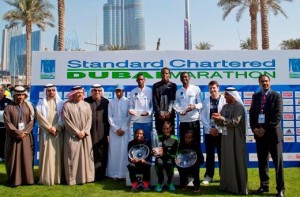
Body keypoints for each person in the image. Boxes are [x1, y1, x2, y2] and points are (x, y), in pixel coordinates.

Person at [249, 75, 285, 197]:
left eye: (266, 81)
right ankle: (264, 186)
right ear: (259, 83)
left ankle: (280, 189)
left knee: (278, 164)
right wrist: (254, 129)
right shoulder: (256, 96)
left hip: (273, 135)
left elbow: (277, 116)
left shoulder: (276, 96)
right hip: (260, 136)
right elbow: (252, 114)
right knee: (262, 163)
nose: (264, 83)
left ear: (270, 82)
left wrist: (263, 128)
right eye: (262, 81)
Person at [212, 87, 248, 195]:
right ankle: (226, 185)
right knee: (227, 161)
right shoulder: (225, 106)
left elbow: (234, 122)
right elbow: (221, 123)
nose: (225, 97)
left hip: (236, 137)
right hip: (226, 137)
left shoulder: (239, 107)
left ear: (232, 95)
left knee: (237, 160)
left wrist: (221, 119)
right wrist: (216, 119)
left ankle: (238, 187)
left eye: (226, 95)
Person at [62, 86, 94, 185]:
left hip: (85, 136)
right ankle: (72, 179)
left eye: (81, 92)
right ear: (73, 94)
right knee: (72, 157)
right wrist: (77, 132)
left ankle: (86, 177)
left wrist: (84, 131)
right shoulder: (67, 106)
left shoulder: (87, 105)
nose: (80, 94)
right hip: (73, 136)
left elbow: (89, 119)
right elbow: (66, 121)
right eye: (77, 93)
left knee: (86, 158)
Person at [4, 86, 35, 187]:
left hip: (26, 137)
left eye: (22, 95)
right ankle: (15, 180)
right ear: (14, 95)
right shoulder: (8, 108)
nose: (20, 97)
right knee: (13, 158)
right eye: (18, 95)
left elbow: (32, 121)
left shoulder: (29, 106)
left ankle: (27, 180)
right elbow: (8, 123)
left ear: (25, 95)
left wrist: (25, 132)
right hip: (13, 139)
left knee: (26, 158)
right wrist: (18, 133)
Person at [36, 84, 64, 185]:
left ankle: (57, 178)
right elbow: (40, 118)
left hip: (58, 133)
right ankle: (47, 178)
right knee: (47, 155)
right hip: (46, 133)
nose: (51, 92)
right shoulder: (41, 103)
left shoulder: (61, 103)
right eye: (49, 91)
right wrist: (49, 128)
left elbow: (63, 118)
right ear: (46, 92)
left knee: (57, 154)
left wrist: (56, 128)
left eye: (53, 90)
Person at [201, 80, 226, 185]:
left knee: (222, 155)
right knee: (210, 155)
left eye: (214, 88)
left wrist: (218, 128)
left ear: (218, 88)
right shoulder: (206, 100)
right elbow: (202, 117)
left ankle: (223, 176)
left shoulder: (224, 100)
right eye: (210, 88)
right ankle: (209, 176)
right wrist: (210, 129)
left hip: (221, 132)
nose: (212, 90)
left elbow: (226, 115)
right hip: (209, 132)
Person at [84, 84, 110, 180]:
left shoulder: (105, 102)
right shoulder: (86, 101)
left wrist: (107, 134)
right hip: (89, 131)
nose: (97, 92)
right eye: (95, 90)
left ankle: (101, 174)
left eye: (99, 90)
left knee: (101, 152)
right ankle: (90, 174)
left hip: (102, 132)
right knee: (89, 152)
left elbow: (108, 119)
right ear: (92, 91)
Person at [106, 84, 131, 179]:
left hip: (125, 131)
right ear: (115, 92)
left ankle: (124, 174)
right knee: (114, 151)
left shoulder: (128, 101)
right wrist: (116, 128)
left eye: (120, 90)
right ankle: (113, 173)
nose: (118, 92)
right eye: (117, 91)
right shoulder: (111, 102)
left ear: (123, 91)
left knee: (124, 151)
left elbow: (129, 116)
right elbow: (109, 117)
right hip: (114, 131)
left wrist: (123, 128)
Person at [173, 72, 203, 143]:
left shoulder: (196, 89)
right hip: (183, 121)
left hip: (194, 121)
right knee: (183, 143)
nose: (184, 78)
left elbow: (201, 104)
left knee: (196, 143)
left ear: (189, 78)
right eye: (182, 77)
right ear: (180, 79)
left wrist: (194, 106)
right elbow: (175, 104)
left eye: (186, 77)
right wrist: (179, 111)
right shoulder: (178, 91)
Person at [153, 121, 178, 192]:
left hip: (170, 158)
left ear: (171, 128)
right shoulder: (158, 137)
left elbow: (175, 154)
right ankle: (160, 182)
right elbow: (155, 151)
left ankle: (170, 182)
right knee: (158, 162)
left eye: (167, 128)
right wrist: (153, 152)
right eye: (164, 129)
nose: (165, 130)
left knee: (169, 163)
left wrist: (165, 153)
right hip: (161, 158)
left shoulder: (175, 139)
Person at [152, 67, 177, 135]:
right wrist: (159, 113)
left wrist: (169, 112)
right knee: (159, 136)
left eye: (166, 73)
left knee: (171, 136)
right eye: (163, 73)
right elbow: (154, 101)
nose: (164, 75)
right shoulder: (155, 86)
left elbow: (173, 100)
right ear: (161, 75)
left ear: (169, 75)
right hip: (159, 117)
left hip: (170, 116)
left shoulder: (173, 85)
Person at [129, 73, 153, 143]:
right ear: (136, 80)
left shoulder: (150, 90)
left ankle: (148, 154)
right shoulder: (133, 91)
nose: (140, 81)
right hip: (137, 121)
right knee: (137, 141)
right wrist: (131, 111)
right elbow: (131, 106)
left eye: (142, 79)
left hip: (147, 121)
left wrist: (149, 112)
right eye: (138, 79)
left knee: (147, 141)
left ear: (144, 80)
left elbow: (152, 105)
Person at [0, 85, 12, 162]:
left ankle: (5, 156)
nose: (0, 92)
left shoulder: (9, 101)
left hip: (5, 126)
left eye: (1, 90)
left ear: (4, 91)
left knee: (5, 141)